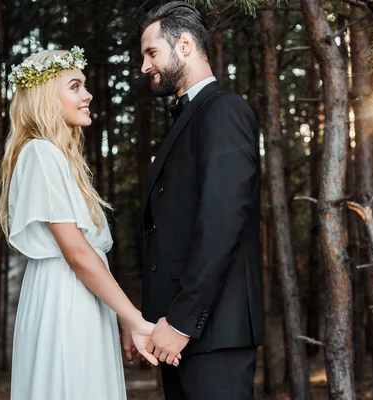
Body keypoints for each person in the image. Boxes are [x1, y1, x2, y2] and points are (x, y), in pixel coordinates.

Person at [0, 47, 173, 400]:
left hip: (83, 296)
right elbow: (77, 253)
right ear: (47, 97)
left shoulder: (58, 156)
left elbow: (86, 255)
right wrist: (135, 318)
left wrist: (119, 315)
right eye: (75, 86)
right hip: (64, 299)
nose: (88, 94)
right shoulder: (40, 153)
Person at [137, 3, 263, 399]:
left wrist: (181, 323)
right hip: (180, 334)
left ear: (185, 45)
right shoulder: (189, 117)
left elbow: (223, 221)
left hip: (209, 333)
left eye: (151, 52)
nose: (144, 66)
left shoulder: (224, 110)